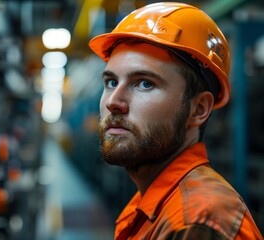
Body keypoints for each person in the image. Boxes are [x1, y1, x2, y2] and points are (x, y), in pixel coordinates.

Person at [89, 2, 263, 239]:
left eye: (145, 83)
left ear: (198, 109)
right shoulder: (154, 204)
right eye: (111, 82)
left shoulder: (197, 221)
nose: (113, 102)